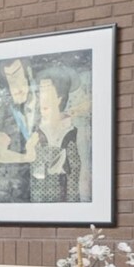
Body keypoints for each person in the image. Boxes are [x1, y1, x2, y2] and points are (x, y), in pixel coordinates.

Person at [0, 57, 40, 202]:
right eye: (10, 80)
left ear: (28, 73)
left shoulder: (45, 103)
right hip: (9, 195)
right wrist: (25, 158)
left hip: (43, 193)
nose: (14, 87)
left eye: (17, 77)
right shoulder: (5, 109)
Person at [29, 70, 86, 203]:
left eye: (46, 90)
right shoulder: (35, 133)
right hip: (39, 204)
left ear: (59, 97)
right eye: (40, 90)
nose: (41, 95)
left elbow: (79, 175)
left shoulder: (74, 133)